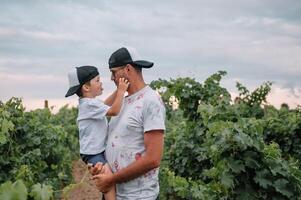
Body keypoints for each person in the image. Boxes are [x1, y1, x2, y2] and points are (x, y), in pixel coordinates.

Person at [90, 47, 166, 200]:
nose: (112, 78)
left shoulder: (150, 101)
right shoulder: (123, 101)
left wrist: (111, 179)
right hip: (116, 193)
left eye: (114, 72)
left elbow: (153, 159)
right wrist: (101, 168)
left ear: (128, 69)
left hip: (138, 196)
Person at [65, 65, 129, 200]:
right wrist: (122, 91)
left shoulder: (89, 103)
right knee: (108, 179)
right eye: (97, 80)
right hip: (93, 153)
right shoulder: (89, 104)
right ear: (86, 87)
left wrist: (118, 90)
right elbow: (114, 111)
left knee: (106, 179)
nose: (101, 83)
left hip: (94, 151)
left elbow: (106, 104)